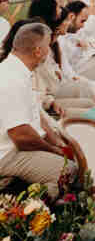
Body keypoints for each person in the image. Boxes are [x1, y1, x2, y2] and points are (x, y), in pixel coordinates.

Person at [0, 22, 86, 192]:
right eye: (48, 45)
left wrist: (59, 143)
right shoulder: (11, 79)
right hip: (7, 154)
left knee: (72, 157)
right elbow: (21, 135)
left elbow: (36, 116)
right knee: (68, 170)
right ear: (38, 51)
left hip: (17, 146)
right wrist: (54, 150)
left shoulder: (18, 70)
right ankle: (31, 212)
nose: (50, 51)